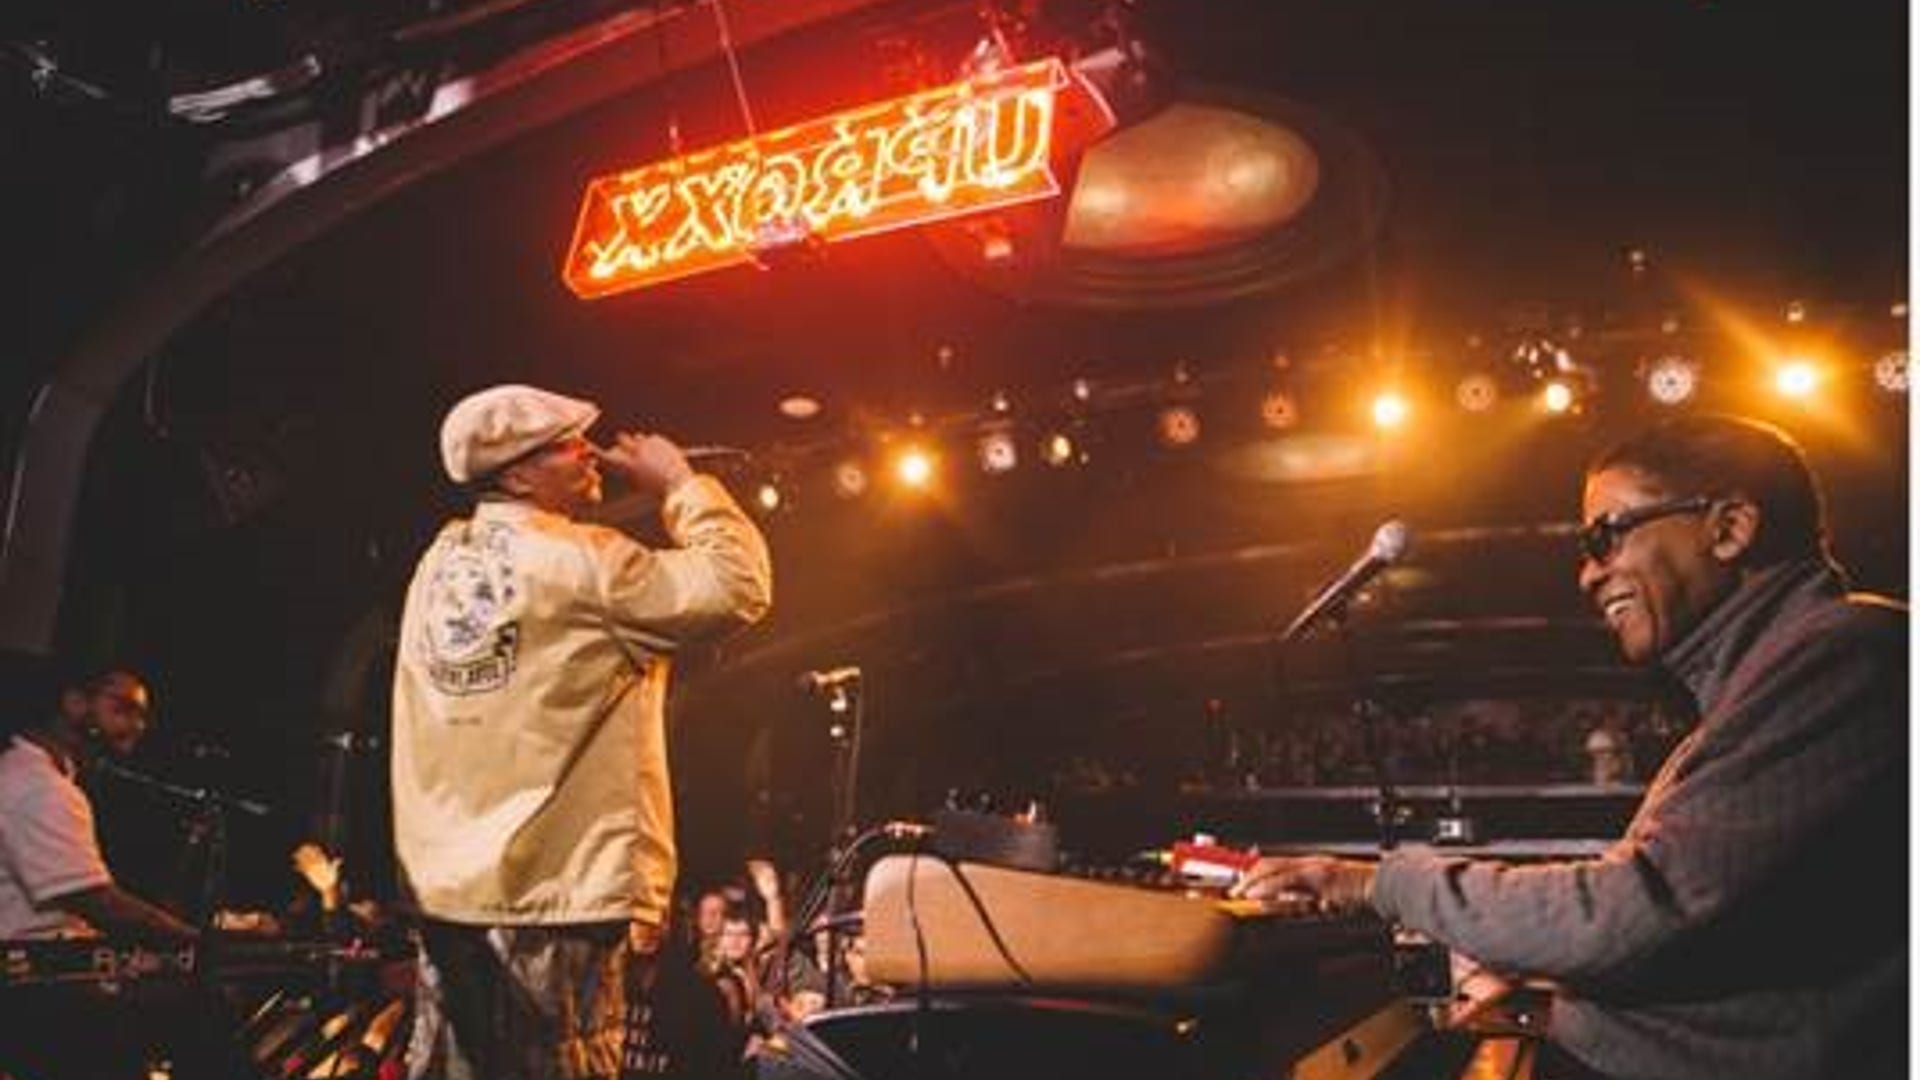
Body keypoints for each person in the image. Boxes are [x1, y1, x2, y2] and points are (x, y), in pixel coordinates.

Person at [1233, 414, 1906, 1079]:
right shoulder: (1767, 687)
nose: (1587, 575)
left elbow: (1633, 911)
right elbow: (1729, 943)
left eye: (1605, 536)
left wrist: (1374, 881)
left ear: (1728, 528)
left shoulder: (1846, 655)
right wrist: (1540, 980)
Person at [392, 383, 773, 1080]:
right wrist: (682, 486)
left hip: (451, 895)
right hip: (552, 891)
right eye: (567, 444)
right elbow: (737, 584)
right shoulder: (587, 561)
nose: (591, 452)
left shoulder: (438, 565)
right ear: (516, 474)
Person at [0, 659, 217, 1080]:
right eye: (123, 708)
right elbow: (96, 901)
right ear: (75, 703)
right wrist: (192, 939)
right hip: (25, 990)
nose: (138, 725)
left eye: (143, 715)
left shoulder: (32, 773)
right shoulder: (41, 786)